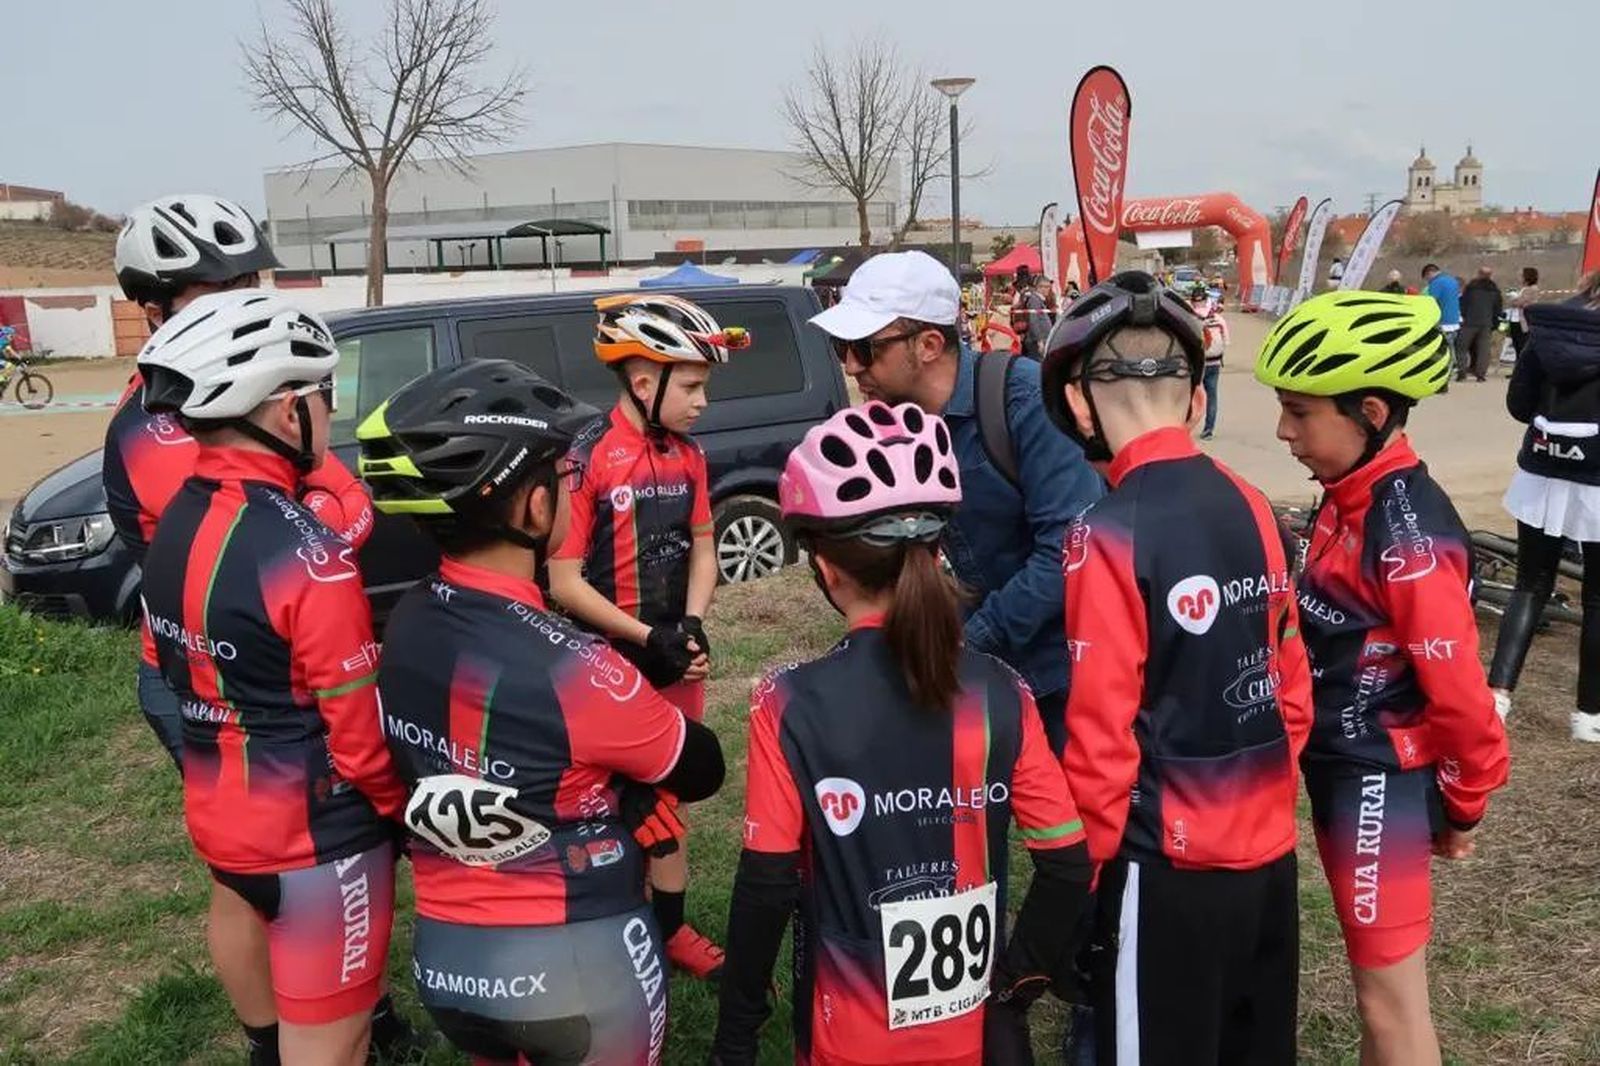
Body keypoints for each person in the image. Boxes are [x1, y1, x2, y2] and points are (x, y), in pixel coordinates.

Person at [357, 360, 727, 1065]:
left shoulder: (404, 621)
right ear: (530, 509)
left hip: (447, 963)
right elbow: (701, 766)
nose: (573, 488)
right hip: (578, 971)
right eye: (565, 480)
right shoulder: (580, 670)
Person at [711, 401, 1093, 1065]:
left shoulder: (788, 703)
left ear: (827, 570)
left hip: (849, 1038)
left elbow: (767, 888)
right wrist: (1017, 984)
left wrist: (735, 1038)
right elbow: (1064, 865)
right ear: (935, 552)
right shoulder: (1002, 689)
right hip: (979, 1032)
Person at [1040, 270, 1314, 1065]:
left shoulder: (1103, 535)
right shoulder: (1256, 503)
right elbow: (1291, 687)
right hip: (1267, 859)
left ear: (1081, 408)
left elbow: (1100, 743)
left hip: (1160, 870)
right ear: (1196, 399)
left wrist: (1079, 888)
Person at [137, 290, 409, 1066]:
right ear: (288, 411)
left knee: (278, 1033)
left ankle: (263, 1044)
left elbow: (171, 661)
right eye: (327, 397)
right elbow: (358, 742)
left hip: (221, 818)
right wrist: (402, 816)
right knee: (335, 1044)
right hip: (320, 841)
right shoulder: (310, 555)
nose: (333, 417)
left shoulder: (175, 519)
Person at [1254, 291, 1511, 1065]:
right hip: (1342, 768)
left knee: (1393, 1008)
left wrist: (1464, 804)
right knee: (1381, 1007)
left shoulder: (1409, 542)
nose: (1282, 430)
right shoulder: (1352, 495)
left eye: (1300, 412)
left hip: (1375, 783)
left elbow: (1463, 700)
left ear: (1370, 411)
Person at [106, 195, 375, 769]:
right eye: (216, 290)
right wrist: (328, 508)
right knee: (268, 843)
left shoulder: (233, 398)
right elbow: (316, 534)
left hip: (268, 660)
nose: (243, 303)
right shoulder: (161, 425)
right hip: (210, 678)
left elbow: (350, 500)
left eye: (249, 282)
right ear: (155, 310)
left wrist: (330, 507)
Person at [810, 250, 1104, 755]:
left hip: (1062, 676)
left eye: (864, 347)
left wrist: (966, 643)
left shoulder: (1024, 399)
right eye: (842, 347)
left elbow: (1068, 549)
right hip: (967, 671)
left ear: (927, 345)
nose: (852, 366)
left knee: (1072, 823)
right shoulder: (891, 426)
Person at [546, 293, 748, 981]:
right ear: (642, 381)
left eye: (704, 387)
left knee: (668, 798)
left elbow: (703, 547)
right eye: (691, 386)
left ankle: (671, 929)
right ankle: (604, 919)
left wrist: (691, 622)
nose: (701, 402)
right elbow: (564, 579)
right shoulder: (587, 457)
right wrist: (642, 636)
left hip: (671, 653)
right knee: (604, 802)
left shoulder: (688, 455)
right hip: (604, 658)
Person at [1489, 272, 1600, 740]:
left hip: (1541, 468)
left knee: (1530, 586)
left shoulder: (1550, 324)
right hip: (1596, 475)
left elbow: (1518, 404)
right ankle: (1589, 717)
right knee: (1597, 599)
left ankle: (1496, 697)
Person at [1189, 283, 1230, 440]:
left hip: (1197, 363)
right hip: (1215, 362)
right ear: (1206, 300)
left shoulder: (1190, 318)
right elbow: (1226, 341)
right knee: (1212, 396)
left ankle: (1185, 427)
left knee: (1191, 396)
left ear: (1193, 301)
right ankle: (1209, 430)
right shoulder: (1218, 318)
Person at [1457, 266, 1505, 382]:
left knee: (1462, 347)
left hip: (1469, 322)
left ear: (1479, 274)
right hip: (1486, 323)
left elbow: (1463, 303)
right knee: (1484, 350)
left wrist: (1464, 316)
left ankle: (1462, 373)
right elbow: (1498, 309)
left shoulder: (1471, 288)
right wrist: (1494, 322)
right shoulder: (1495, 291)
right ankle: (1481, 375)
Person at [1421, 263, 1463, 391]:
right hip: (1454, 321)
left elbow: (1430, 301)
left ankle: (1443, 381)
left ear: (1429, 273)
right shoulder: (1453, 281)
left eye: (1427, 278)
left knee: (1442, 352)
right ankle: (1451, 372)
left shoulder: (1436, 283)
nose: (1428, 281)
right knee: (1450, 350)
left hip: (1442, 322)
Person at [1012, 269, 1048, 359]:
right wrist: (1039, 340)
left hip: (1031, 338)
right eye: (1045, 287)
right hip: (1034, 340)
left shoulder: (1026, 296)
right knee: (1037, 364)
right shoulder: (1033, 299)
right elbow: (1033, 320)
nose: (1047, 289)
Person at [1507, 266, 1541, 360]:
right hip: (1515, 320)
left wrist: (1514, 299)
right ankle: (1517, 368)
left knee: (1522, 346)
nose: (1520, 277)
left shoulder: (1532, 289)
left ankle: (1522, 369)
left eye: (1521, 275)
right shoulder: (1523, 289)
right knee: (1516, 346)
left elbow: (1519, 303)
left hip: (1523, 322)